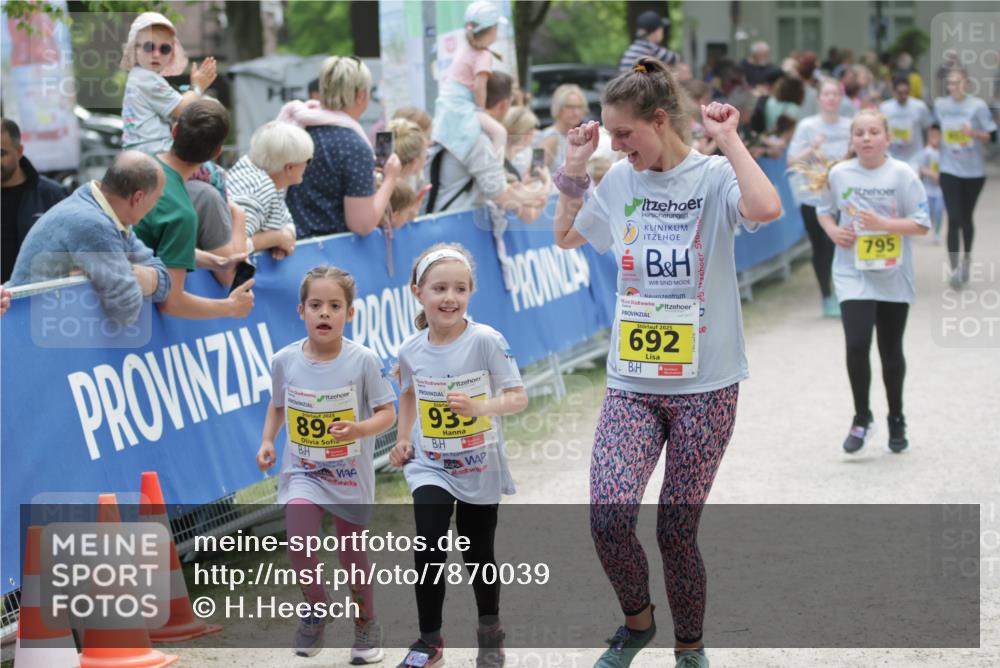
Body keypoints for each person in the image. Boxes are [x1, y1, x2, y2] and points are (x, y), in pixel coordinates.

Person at [551, 57, 781, 668]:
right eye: (609, 133)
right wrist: (576, 165)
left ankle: (690, 647)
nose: (616, 145)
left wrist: (729, 139)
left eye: (624, 133)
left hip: (706, 385)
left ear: (659, 120)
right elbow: (568, 235)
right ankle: (638, 621)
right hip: (633, 383)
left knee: (676, 532)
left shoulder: (711, 176)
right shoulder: (622, 180)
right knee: (607, 516)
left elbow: (765, 209)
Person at [388, 244, 528, 668]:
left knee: (477, 551)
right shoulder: (411, 350)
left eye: (460, 288)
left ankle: (490, 630)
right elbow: (409, 394)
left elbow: (517, 397)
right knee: (428, 543)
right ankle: (428, 641)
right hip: (430, 464)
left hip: (478, 463)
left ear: (471, 293)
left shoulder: (485, 340)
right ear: (418, 292)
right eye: (440, 288)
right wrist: (403, 438)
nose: (450, 297)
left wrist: (479, 408)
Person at [257, 266, 396, 663]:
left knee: (352, 555)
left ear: (350, 314)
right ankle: (317, 607)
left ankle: (367, 625)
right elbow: (278, 404)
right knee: (299, 543)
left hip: (349, 474)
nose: (324, 313)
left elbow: (387, 412)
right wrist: (268, 439)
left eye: (335, 306)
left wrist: (358, 428)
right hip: (304, 471)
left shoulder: (364, 361)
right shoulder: (285, 360)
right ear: (301, 310)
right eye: (316, 305)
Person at [812, 109, 930, 453]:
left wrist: (883, 223)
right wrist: (835, 232)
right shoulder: (839, 174)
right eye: (859, 133)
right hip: (853, 273)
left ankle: (896, 417)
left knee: (891, 352)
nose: (866, 138)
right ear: (851, 140)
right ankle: (862, 418)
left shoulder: (903, 174)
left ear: (887, 138)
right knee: (856, 343)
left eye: (873, 132)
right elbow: (823, 210)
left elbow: (922, 224)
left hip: (893, 274)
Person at [9, 151, 170, 325]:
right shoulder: (92, 223)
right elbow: (127, 310)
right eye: (155, 200)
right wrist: (117, 271)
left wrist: (113, 270)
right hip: (28, 331)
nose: (154, 208)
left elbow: (163, 281)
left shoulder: (106, 209)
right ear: (138, 197)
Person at [134, 99, 255, 320]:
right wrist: (230, 307)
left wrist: (216, 261)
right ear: (217, 152)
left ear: (174, 129)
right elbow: (172, 302)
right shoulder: (182, 212)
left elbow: (160, 248)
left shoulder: (135, 166)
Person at [283, 56, 401, 238]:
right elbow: (361, 224)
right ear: (361, 95)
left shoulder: (297, 128)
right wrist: (390, 179)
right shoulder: (354, 146)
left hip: (290, 246)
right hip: (332, 254)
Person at [424, 72, 548, 217]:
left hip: (442, 218)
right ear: (504, 104)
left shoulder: (456, 127)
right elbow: (500, 195)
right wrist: (543, 188)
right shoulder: (476, 138)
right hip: (455, 223)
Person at [787, 79, 853, 318]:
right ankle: (827, 294)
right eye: (826, 94)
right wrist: (812, 149)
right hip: (813, 197)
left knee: (841, 245)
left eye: (835, 94)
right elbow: (792, 161)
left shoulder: (850, 126)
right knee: (821, 248)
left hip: (844, 198)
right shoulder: (807, 126)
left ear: (841, 98)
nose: (831, 98)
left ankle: (845, 292)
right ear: (819, 99)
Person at [932, 67, 998, 288]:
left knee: (967, 218)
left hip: (974, 172)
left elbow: (993, 136)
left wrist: (974, 134)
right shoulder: (941, 105)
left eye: (958, 82)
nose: (954, 87)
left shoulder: (977, 106)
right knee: (954, 217)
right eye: (950, 83)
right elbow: (933, 128)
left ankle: (966, 259)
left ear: (967, 84)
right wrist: (932, 142)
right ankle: (954, 268)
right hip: (949, 169)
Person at [119, 12, 217, 153]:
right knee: (211, 172)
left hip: (141, 152)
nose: (157, 54)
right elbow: (182, 109)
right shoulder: (146, 79)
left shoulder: (140, 76)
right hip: (152, 154)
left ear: (172, 54)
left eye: (164, 49)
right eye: (149, 47)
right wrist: (198, 86)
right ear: (135, 49)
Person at [431, 1, 508, 160]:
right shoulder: (483, 55)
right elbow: (480, 87)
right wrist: (481, 110)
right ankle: (494, 166)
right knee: (500, 132)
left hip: (448, 105)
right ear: (493, 29)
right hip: (463, 107)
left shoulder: (466, 47)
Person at [227, 120, 314, 258]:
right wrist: (277, 238)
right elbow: (234, 249)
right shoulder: (258, 190)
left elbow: (287, 222)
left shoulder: (269, 176)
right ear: (289, 168)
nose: (308, 166)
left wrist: (280, 239)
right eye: (308, 160)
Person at [1, 118, 66, 282]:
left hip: (36, 298)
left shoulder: (51, 195)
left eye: (1, 153)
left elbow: (72, 246)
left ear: (19, 151)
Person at [879, 74, 932, 170]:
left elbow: (928, 127)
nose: (904, 96)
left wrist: (927, 148)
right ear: (894, 91)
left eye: (906, 92)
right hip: (892, 157)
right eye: (900, 93)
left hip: (915, 158)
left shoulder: (919, 107)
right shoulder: (885, 107)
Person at [539, 84, 587, 172]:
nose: (576, 112)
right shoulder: (550, 137)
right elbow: (535, 172)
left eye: (579, 107)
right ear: (558, 108)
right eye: (570, 107)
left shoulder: (579, 137)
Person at [917, 125, 945, 244]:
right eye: (932, 135)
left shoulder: (945, 151)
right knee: (932, 212)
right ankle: (934, 228)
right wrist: (932, 173)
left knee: (939, 210)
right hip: (928, 189)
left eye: (936, 135)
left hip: (941, 189)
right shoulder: (926, 152)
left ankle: (937, 234)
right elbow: (921, 168)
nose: (934, 138)